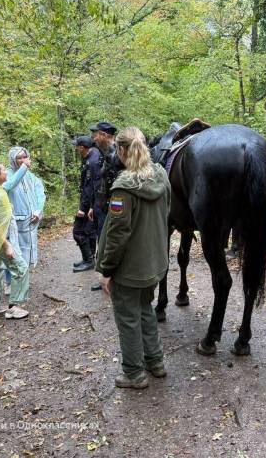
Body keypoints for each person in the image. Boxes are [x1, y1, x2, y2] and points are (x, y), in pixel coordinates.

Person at [95, 127, 171, 388]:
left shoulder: (123, 189)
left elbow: (118, 234)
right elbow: (167, 213)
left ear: (122, 150)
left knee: (128, 318)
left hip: (130, 269)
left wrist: (106, 269)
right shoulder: (161, 175)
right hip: (154, 264)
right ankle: (155, 362)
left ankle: (133, 373)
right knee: (145, 309)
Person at [0, 162, 30, 319]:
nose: (6, 173)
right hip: (1, 239)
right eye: (3, 171)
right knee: (21, 268)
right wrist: (7, 246)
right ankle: (14, 307)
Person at [4, 147, 46, 289]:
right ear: (12, 159)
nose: (22, 160)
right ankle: (9, 283)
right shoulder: (6, 174)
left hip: (31, 221)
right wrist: (23, 169)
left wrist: (37, 211)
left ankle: (22, 280)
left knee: (27, 249)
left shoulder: (31, 176)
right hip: (14, 222)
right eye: (19, 158)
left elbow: (40, 193)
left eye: (24, 157)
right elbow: (9, 185)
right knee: (13, 253)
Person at [88, 121, 118, 290]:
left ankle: (111, 278)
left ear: (106, 136)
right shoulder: (104, 153)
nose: (94, 137)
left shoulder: (116, 154)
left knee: (111, 241)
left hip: (114, 209)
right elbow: (101, 183)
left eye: (97, 134)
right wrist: (95, 205)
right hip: (103, 206)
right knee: (104, 240)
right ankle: (106, 275)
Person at [72, 135, 100, 272]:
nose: (76, 149)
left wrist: (84, 208)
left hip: (91, 205)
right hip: (92, 204)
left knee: (78, 231)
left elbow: (90, 188)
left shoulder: (92, 162)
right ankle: (88, 259)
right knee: (89, 233)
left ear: (82, 147)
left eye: (77, 146)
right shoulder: (91, 156)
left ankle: (89, 261)